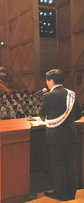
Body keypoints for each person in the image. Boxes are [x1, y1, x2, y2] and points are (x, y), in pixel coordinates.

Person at [39, 69, 82, 201]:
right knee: (69, 163)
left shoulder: (48, 96)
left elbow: (42, 115)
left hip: (55, 136)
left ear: (51, 81)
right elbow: (78, 114)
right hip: (70, 134)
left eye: (47, 81)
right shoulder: (71, 94)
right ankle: (71, 193)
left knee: (58, 165)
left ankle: (60, 194)